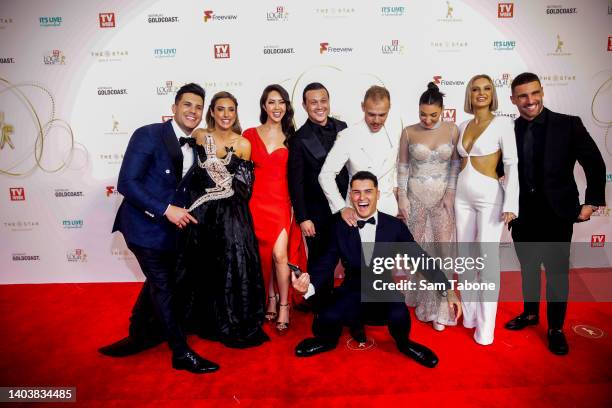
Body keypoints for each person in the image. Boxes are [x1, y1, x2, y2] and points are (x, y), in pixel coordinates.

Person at [99, 83, 219, 374]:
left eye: (198, 107)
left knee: (159, 283)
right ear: (174, 107)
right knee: (163, 286)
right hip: (142, 227)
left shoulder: (197, 143)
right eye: (187, 105)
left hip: (172, 231)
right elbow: (128, 183)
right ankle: (180, 353)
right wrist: (166, 210)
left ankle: (139, 333)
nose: (193, 111)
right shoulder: (149, 134)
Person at [291, 171, 462, 368]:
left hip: (383, 290)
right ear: (351, 195)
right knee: (326, 316)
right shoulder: (340, 227)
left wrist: (447, 289)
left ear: (378, 195)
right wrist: (308, 286)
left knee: (400, 316)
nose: (362, 198)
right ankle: (327, 341)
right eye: (356, 192)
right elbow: (326, 263)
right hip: (352, 289)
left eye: (368, 192)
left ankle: (405, 344)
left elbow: (419, 258)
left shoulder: (394, 226)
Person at [505, 72, 606, 355]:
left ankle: (555, 328)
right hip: (523, 216)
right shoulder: (508, 131)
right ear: (513, 100)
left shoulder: (568, 125)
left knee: (558, 274)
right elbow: (499, 170)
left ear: (542, 92)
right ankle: (530, 314)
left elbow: (595, 163)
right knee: (528, 270)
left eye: (534, 93)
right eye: (523, 96)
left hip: (557, 214)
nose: (530, 101)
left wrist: (592, 201)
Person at [176, 91, 269, 348]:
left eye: (231, 110)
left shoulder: (242, 144)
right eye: (221, 109)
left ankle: (230, 318)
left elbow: (243, 189)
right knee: (201, 265)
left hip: (231, 213)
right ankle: (203, 318)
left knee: (231, 264)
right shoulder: (199, 135)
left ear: (236, 113)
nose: (226, 115)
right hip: (201, 213)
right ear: (212, 113)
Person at [455, 74, 519, 345]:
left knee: (487, 262)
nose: (481, 93)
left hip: (490, 197)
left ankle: (485, 329)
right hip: (461, 196)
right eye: (476, 89)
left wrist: (511, 203)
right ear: (469, 94)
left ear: (493, 94)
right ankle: (469, 317)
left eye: (487, 89)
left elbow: (512, 164)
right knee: (465, 258)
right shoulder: (462, 124)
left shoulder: (503, 123)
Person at [243, 84, 307, 334]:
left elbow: (299, 176)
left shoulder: (294, 138)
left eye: (281, 102)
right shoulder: (248, 135)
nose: (277, 107)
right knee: (263, 255)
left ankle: (283, 304)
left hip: (281, 204)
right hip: (254, 204)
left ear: (287, 107)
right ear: (263, 105)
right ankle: (269, 299)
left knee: (280, 255)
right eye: (271, 102)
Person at [397, 82, 460, 331]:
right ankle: (424, 303)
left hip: (442, 198)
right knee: (421, 253)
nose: (427, 119)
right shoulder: (409, 132)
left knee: (443, 253)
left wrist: (451, 193)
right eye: (423, 114)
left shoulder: (453, 131)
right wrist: (402, 197)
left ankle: (441, 309)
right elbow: (402, 167)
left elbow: (455, 165)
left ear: (443, 110)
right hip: (416, 198)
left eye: (433, 115)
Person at [288, 82, 348, 306]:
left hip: (346, 207)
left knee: (349, 258)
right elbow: (296, 183)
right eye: (313, 102)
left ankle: (349, 305)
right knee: (320, 260)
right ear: (304, 105)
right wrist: (303, 217)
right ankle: (320, 306)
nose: (319, 106)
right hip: (317, 212)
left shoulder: (343, 127)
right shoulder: (298, 139)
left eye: (323, 101)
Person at [319, 85, 400, 225]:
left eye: (382, 115)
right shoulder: (347, 136)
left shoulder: (395, 133)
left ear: (389, 108)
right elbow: (325, 175)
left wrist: (396, 193)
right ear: (363, 107)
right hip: (357, 213)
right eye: (371, 114)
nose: (376, 120)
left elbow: (395, 169)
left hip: (389, 212)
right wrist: (341, 207)